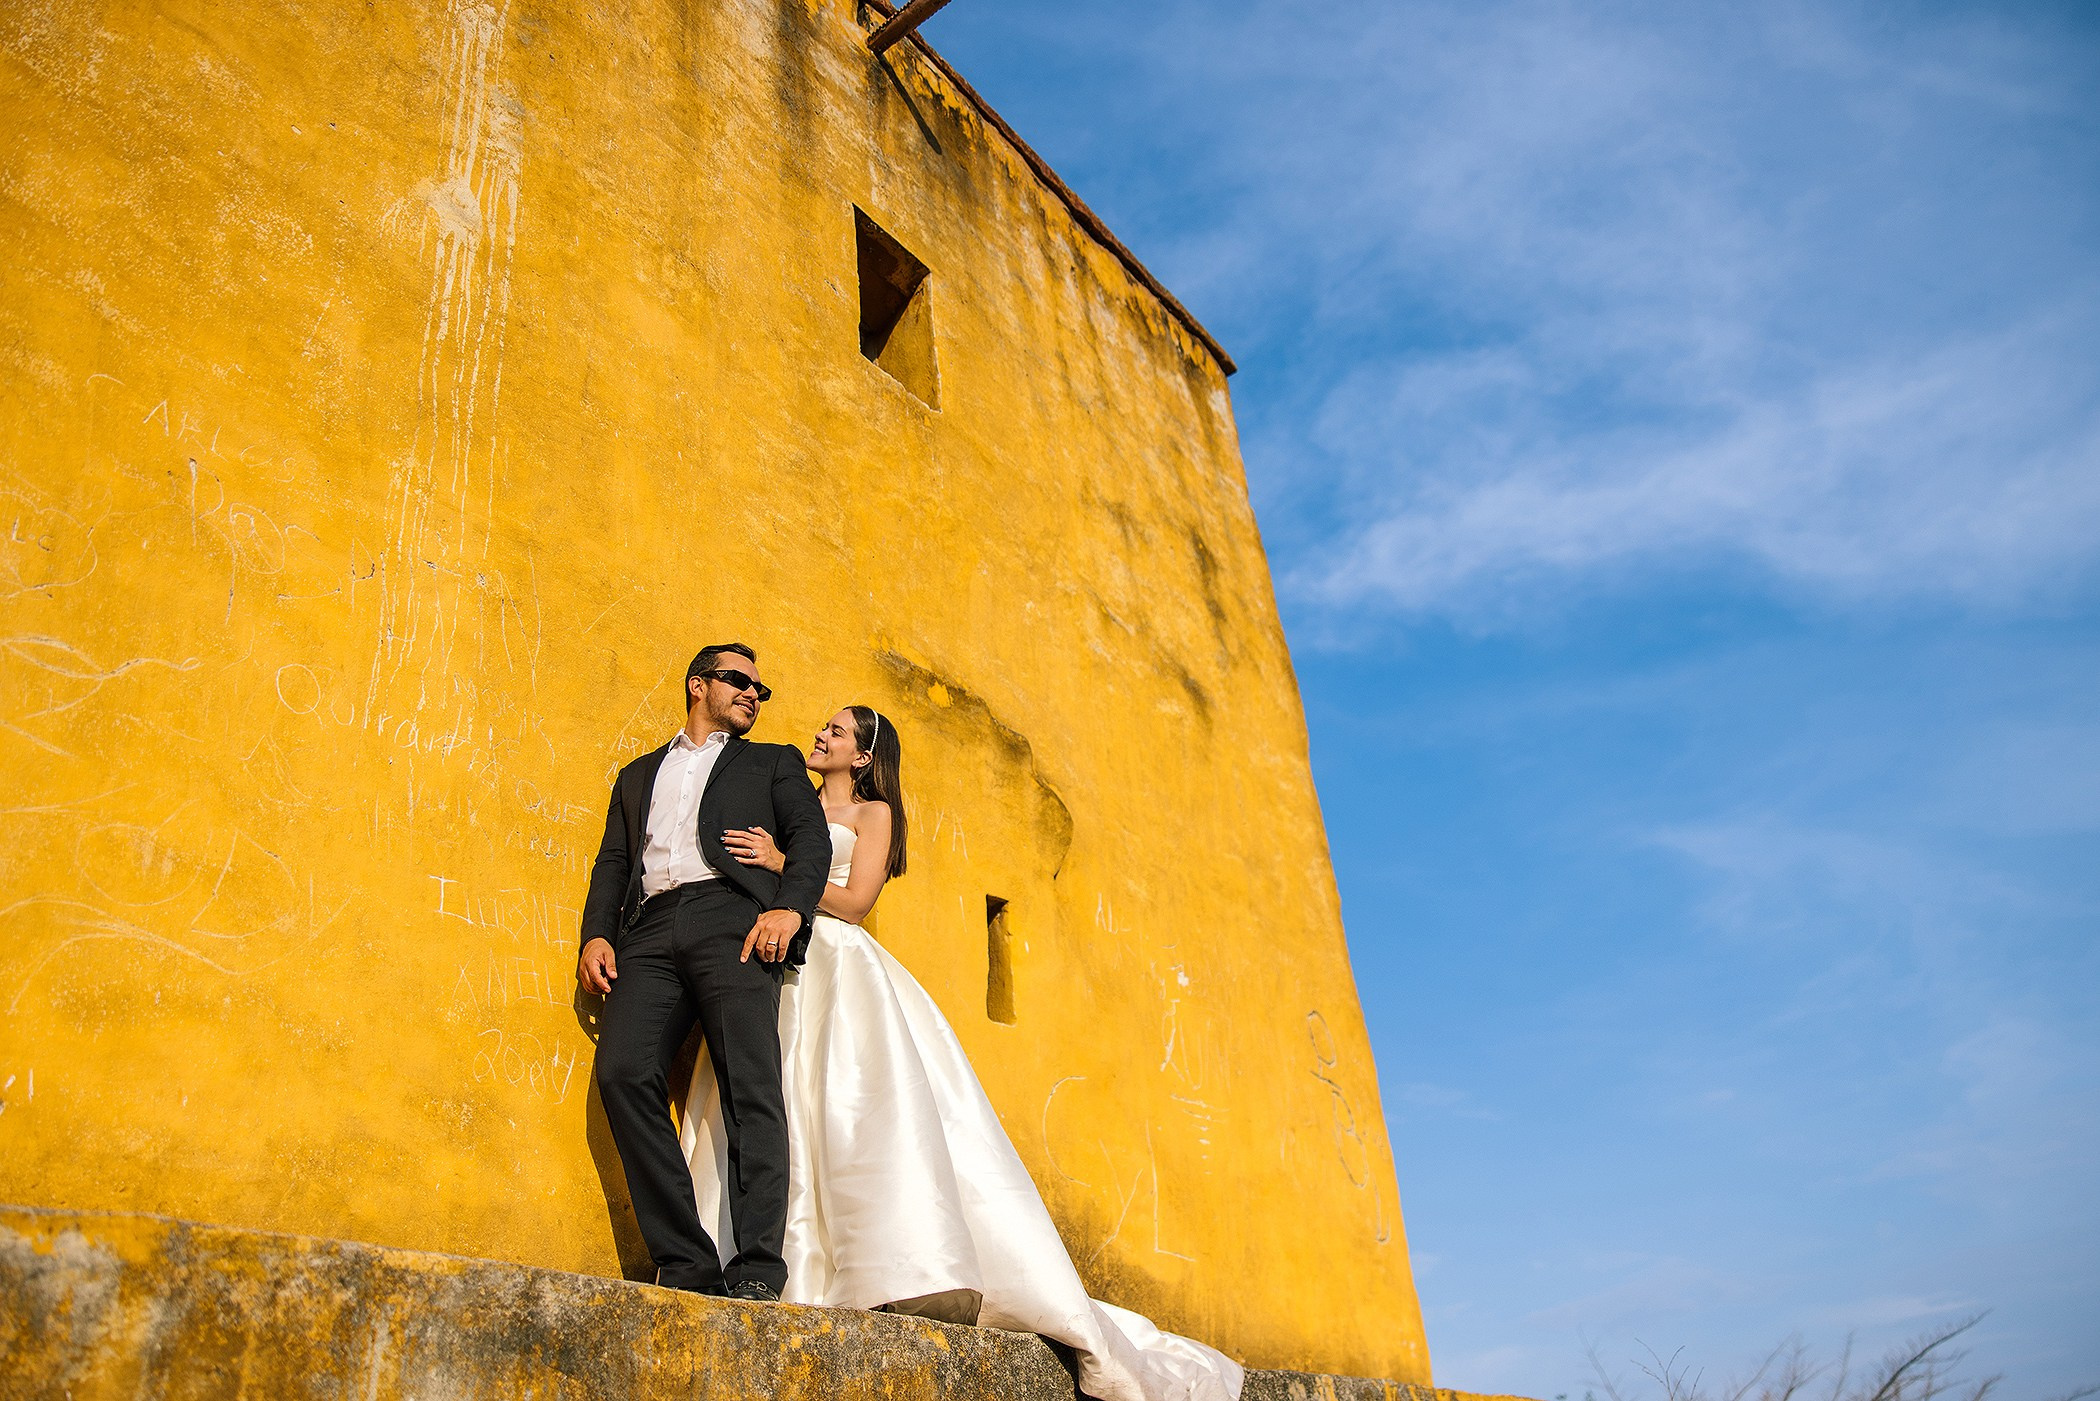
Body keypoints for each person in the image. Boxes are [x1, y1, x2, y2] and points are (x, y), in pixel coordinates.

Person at [683, 706, 1243, 1401]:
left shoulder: (872, 813)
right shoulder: (786, 795)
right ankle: (768, 1259)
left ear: (863, 756)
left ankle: (875, 1268)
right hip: (775, 961)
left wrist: (778, 867)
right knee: (776, 1102)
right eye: (824, 728)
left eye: (837, 731)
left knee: (847, 1106)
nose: (821, 734)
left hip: (835, 960)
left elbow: (857, 903)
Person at [576, 643, 832, 1300]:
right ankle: (688, 1260)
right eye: (739, 680)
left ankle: (755, 1269)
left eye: (759, 687)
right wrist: (597, 932)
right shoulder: (636, 775)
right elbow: (612, 862)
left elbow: (812, 841)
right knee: (623, 1071)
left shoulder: (771, 762)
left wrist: (790, 911)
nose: (754, 692)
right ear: (698, 684)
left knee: (751, 1089)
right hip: (651, 930)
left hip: (732, 918)